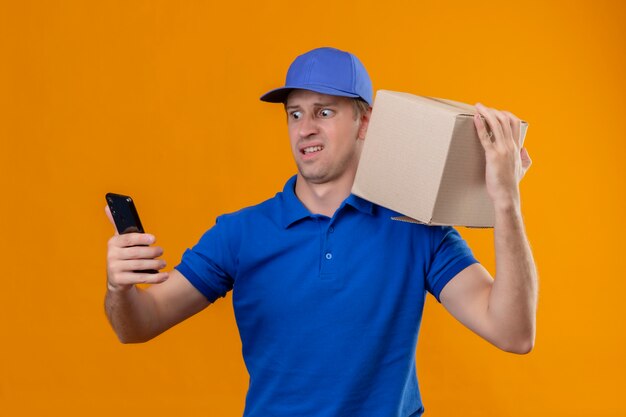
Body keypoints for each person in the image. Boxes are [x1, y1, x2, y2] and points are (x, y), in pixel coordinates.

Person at [104, 47, 537, 416]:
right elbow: (139, 326)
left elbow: (513, 332)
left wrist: (505, 202)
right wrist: (119, 289)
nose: (305, 127)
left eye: (324, 111)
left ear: (365, 123)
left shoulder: (415, 229)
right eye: (295, 114)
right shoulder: (240, 233)